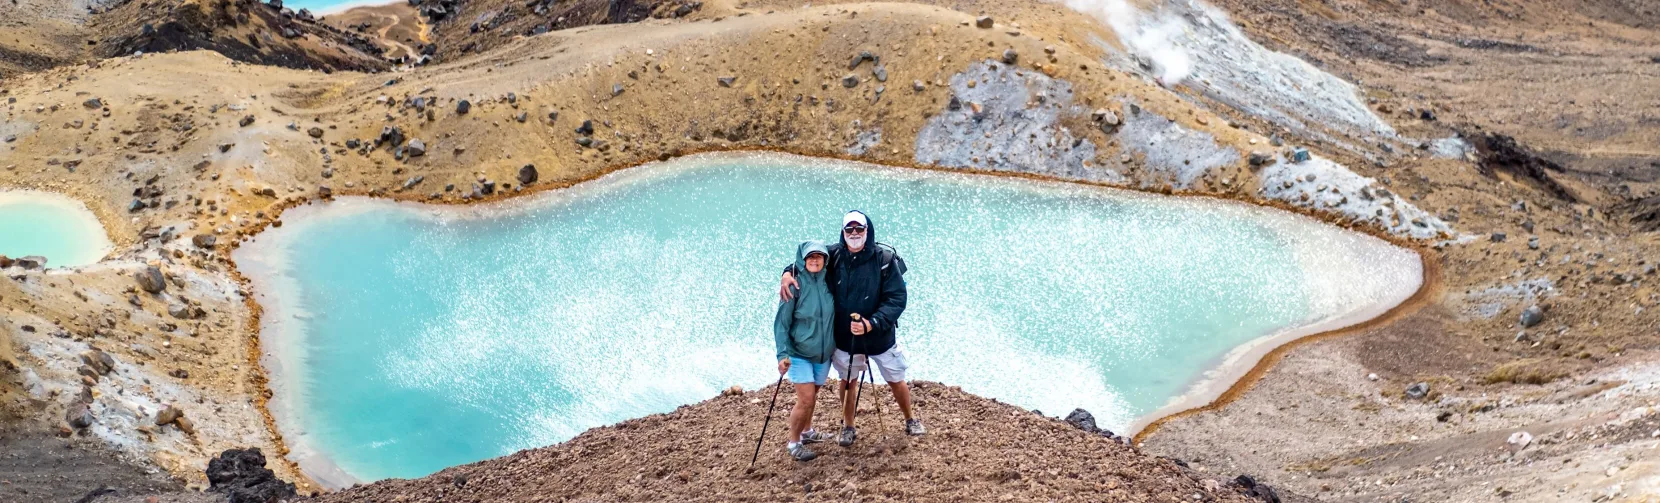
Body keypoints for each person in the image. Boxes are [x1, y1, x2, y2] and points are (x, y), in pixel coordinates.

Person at [780, 210, 924, 447]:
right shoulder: (833, 255)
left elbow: (897, 299)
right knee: (848, 380)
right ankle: (848, 426)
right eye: (850, 229)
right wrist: (788, 273)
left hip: (880, 336)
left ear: (868, 231)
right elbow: (807, 261)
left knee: (896, 379)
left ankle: (910, 419)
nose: (854, 234)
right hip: (847, 337)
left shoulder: (885, 260)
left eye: (859, 229)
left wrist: (872, 323)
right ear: (843, 232)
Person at [773, 240, 838, 462]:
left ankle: (807, 432)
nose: (814, 259)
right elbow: (781, 323)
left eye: (819, 256)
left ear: (825, 259)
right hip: (798, 354)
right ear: (802, 259)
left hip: (823, 354)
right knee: (806, 399)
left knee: (813, 395)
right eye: (810, 256)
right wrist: (782, 355)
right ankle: (794, 443)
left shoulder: (830, 280)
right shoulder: (793, 285)